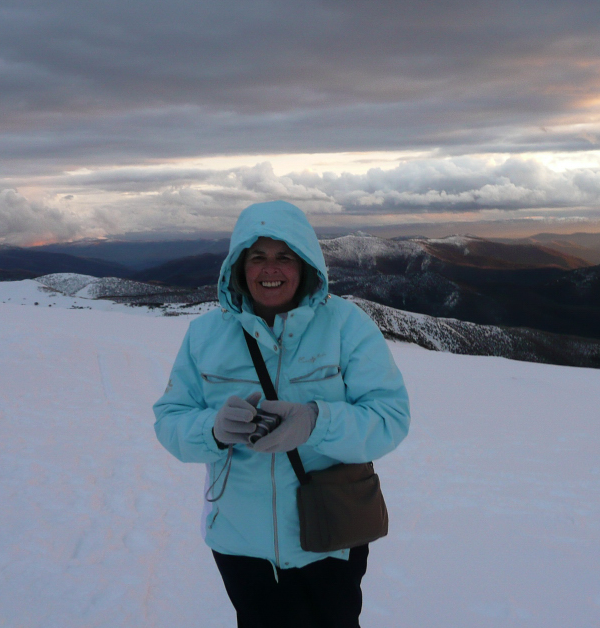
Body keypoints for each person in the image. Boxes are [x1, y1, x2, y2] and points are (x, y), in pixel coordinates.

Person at [153, 200, 411, 628]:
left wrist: (315, 421)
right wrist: (212, 430)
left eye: (284, 256)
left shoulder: (347, 325)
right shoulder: (205, 335)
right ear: (238, 266)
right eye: (257, 257)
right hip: (241, 545)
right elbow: (169, 419)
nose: (270, 269)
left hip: (331, 538)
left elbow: (390, 417)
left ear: (306, 263)